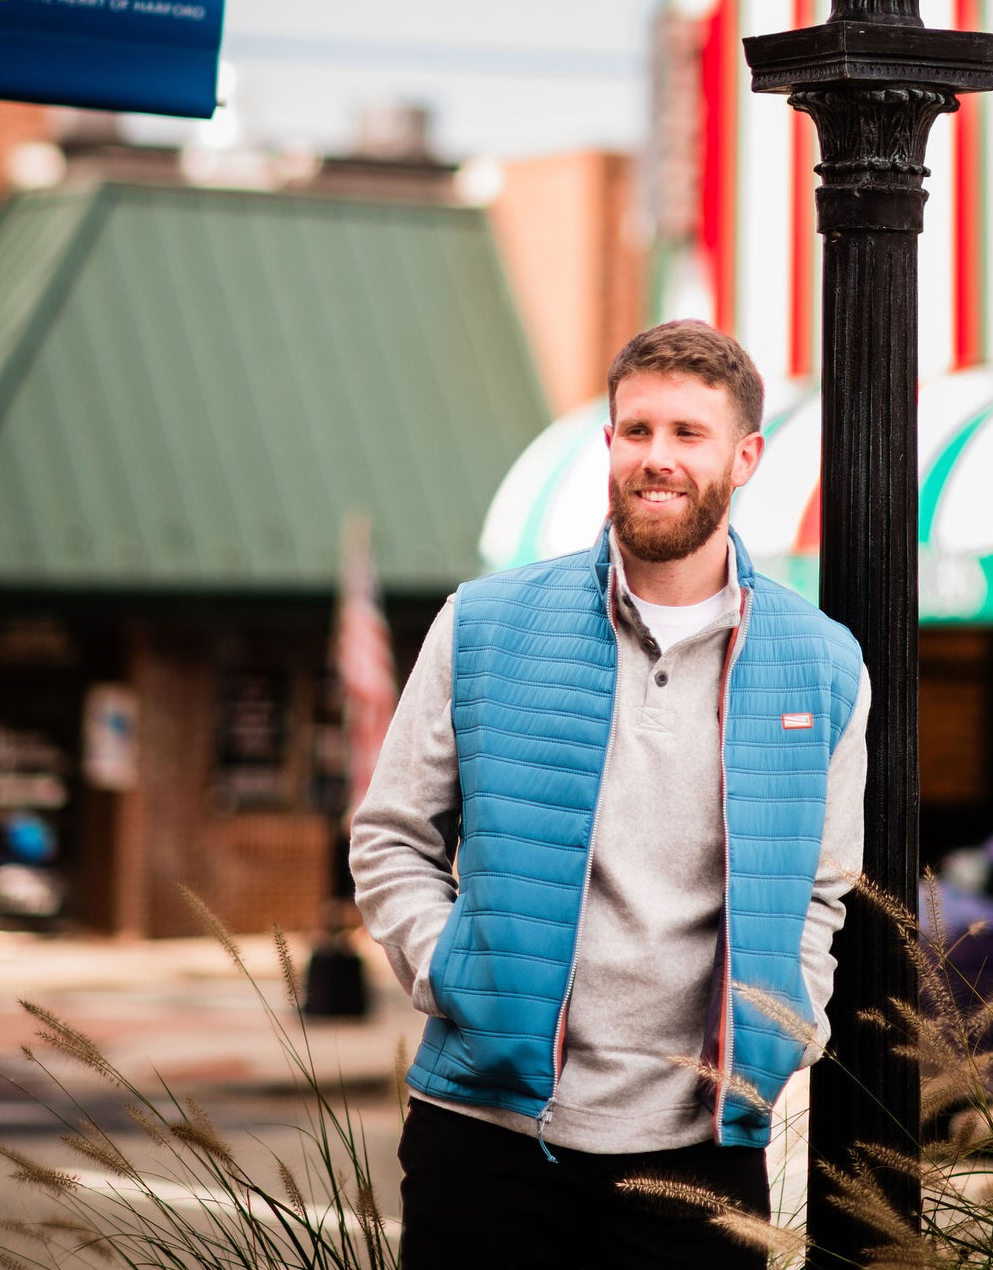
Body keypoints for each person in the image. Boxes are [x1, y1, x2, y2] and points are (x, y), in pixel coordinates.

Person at [351, 320, 870, 1267]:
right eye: (636, 431)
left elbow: (821, 890)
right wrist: (453, 972)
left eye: (686, 434)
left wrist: (780, 1033)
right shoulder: (483, 623)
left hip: (698, 1152)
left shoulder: (821, 664)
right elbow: (390, 836)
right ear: (609, 444)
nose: (656, 458)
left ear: (744, 456)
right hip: (486, 1136)